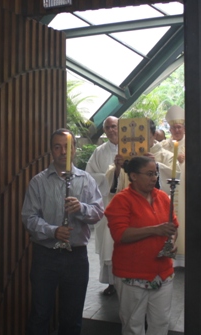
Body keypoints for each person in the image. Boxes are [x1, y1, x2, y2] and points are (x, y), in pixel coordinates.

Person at [21, 128, 104, 335]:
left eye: (67, 147)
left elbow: (98, 212)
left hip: (76, 257)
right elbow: (28, 218)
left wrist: (81, 208)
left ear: (75, 149)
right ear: (51, 150)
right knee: (40, 313)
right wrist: (53, 231)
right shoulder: (39, 182)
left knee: (72, 317)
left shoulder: (86, 180)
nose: (63, 152)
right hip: (45, 256)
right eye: (57, 147)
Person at [105, 156, 179, 335]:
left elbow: (173, 226)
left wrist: (171, 241)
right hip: (132, 274)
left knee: (161, 322)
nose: (154, 178)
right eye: (149, 174)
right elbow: (120, 234)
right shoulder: (122, 200)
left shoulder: (162, 197)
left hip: (162, 272)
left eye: (155, 174)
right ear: (134, 176)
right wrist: (155, 230)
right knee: (133, 325)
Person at [85, 116, 119, 295]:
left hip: (127, 205)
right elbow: (89, 175)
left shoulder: (132, 148)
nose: (111, 130)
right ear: (104, 130)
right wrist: (110, 175)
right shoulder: (99, 152)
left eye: (114, 126)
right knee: (108, 243)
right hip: (106, 204)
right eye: (108, 127)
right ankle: (111, 283)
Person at [164, 105, 186, 267]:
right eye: (174, 128)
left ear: (184, 128)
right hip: (169, 190)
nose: (177, 130)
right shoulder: (164, 145)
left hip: (185, 190)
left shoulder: (193, 143)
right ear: (170, 129)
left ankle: (184, 257)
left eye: (179, 127)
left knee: (184, 220)